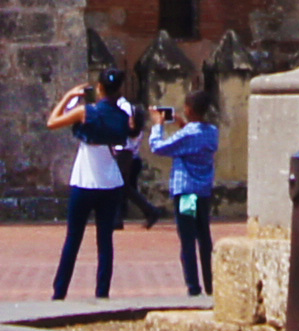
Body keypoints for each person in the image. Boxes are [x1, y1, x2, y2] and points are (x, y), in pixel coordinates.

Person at [45, 74, 140, 300]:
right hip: (111, 181)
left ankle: (60, 291)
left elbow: (52, 122)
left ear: (99, 88)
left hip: (85, 180)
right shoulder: (123, 116)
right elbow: (130, 135)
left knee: (73, 238)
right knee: (105, 240)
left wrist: (68, 96)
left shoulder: (86, 112)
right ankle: (102, 291)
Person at [147, 98, 224, 298]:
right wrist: (184, 125)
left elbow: (158, 147)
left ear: (189, 110)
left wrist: (158, 126)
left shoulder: (188, 133)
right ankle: (210, 283)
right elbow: (193, 141)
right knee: (204, 237)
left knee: (188, 239)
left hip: (187, 192)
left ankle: (193, 286)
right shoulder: (212, 132)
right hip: (203, 192)